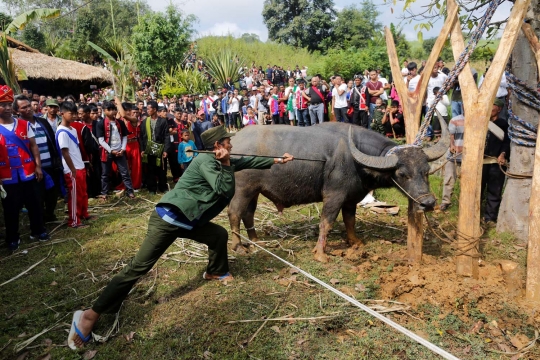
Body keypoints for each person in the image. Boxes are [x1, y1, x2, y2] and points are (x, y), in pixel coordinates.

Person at [67, 126, 294, 350]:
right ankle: (89, 315)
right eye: (228, 141)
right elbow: (225, 190)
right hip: (168, 221)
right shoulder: (207, 162)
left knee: (218, 234)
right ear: (217, 146)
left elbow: (247, 161)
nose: (231, 145)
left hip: (188, 220)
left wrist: (277, 160)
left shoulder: (220, 160)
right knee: (138, 268)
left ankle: (215, 270)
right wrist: (225, 164)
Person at [0, 87, 49, 251]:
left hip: (28, 172)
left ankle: (38, 230)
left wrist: (38, 166)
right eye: (2, 105)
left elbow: (34, 147)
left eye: (8, 105)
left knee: (35, 203)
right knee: (10, 208)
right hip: (7, 175)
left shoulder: (24, 124)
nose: (6, 108)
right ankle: (13, 237)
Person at [14, 95, 62, 222]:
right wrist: (36, 166)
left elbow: (52, 141)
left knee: (52, 193)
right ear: (17, 111)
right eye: (24, 107)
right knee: (37, 196)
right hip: (33, 168)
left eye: (28, 105)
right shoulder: (18, 127)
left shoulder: (42, 121)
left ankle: (49, 216)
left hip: (50, 164)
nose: (28, 109)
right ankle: (39, 221)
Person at [56, 101, 90, 229]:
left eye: (75, 113)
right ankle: (74, 221)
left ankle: (83, 213)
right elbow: (65, 152)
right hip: (72, 169)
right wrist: (72, 169)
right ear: (62, 114)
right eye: (71, 113)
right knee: (74, 195)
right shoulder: (62, 132)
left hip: (79, 165)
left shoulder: (73, 129)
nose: (74, 116)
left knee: (83, 193)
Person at [96, 101, 135, 199]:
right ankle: (104, 193)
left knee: (125, 172)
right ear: (104, 111)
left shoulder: (120, 122)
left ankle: (130, 191)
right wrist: (110, 150)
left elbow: (125, 137)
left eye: (113, 109)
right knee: (105, 174)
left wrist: (122, 149)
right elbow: (101, 140)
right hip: (107, 152)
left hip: (119, 151)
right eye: (109, 110)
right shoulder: (100, 123)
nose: (112, 112)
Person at [481, 99, 510, 223]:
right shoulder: (480, 122)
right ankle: (473, 215)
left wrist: (503, 154)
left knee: (494, 191)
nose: (490, 107)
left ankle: (490, 218)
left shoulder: (503, 124)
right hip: (480, 164)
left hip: (495, 163)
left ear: (499, 108)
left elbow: (507, 142)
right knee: (477, 190)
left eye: (493, 105)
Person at [141, 101, 170, 195]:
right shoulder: (145, 121)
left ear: (154, 109)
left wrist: (165, 150)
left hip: (160, 147)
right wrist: (142, 149)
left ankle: (162, 187)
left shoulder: (163, 121)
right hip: (149, 148)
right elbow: (141, 136)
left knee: (162, 168)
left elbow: (166, 136)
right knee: (150, 169)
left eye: (149, 108)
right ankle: (152, 189)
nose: (147, 110)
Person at [440, 112, 465, 211]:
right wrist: (452, 145)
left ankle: (464, 202)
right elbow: (451, 135)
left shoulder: (479, 120)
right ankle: (445, 201)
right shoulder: (455, 120)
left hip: (469, 157)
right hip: (454, 155)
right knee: (449, 179)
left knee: (467, 181)